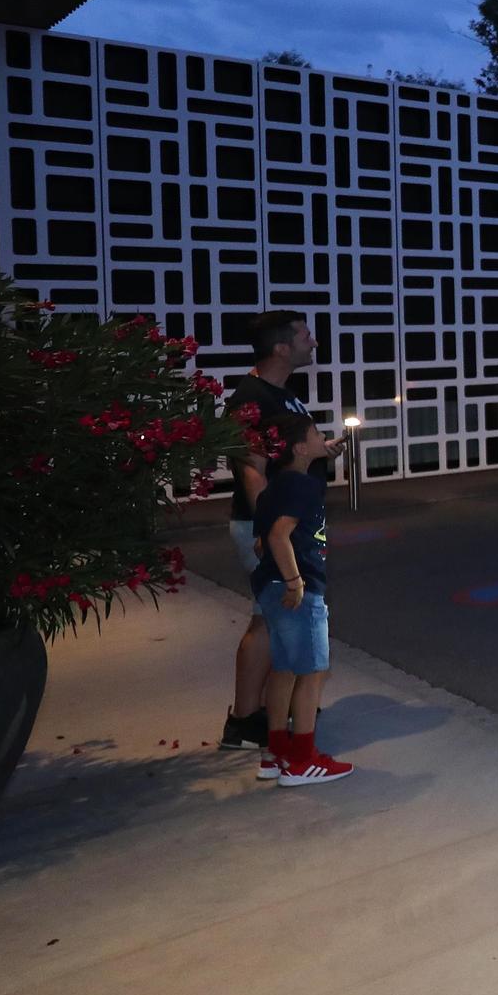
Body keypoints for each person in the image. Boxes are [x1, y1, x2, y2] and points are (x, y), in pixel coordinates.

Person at [216, 311, 341, 752]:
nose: (314, 342)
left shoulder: (279, 394)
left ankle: (271, 710)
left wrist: (320, 451)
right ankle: (246, 721)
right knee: (269, 620)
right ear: (282, 347)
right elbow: (251, 470)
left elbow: (281, 454)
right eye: (306, 335)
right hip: (268, 527)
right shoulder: (250, 397)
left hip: (284, 525)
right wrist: (268, 528)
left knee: (274, 619)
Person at [252, 413, 354, 786]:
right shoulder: (303, 486)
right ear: (298, 448)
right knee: (312, 673)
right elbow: (278, 536)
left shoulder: (274, 486)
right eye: (315, 434)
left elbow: (259, 541)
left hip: (269, 586)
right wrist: (295, 581)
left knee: (284, 669)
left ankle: (276, 753)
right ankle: (303, 761)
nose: (323, 436)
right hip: (297, 588)